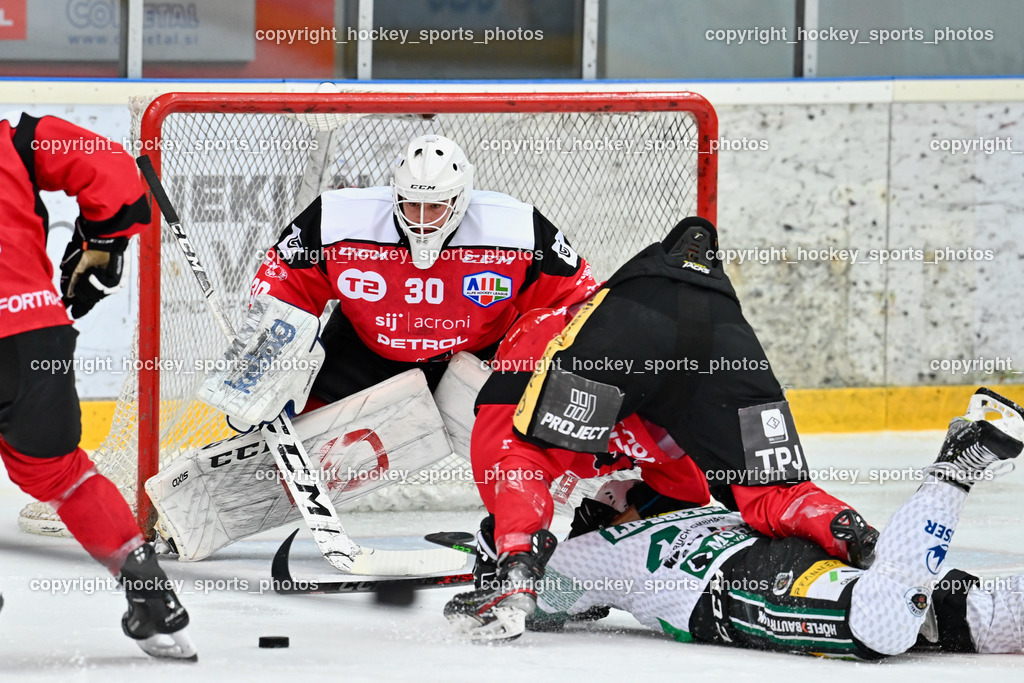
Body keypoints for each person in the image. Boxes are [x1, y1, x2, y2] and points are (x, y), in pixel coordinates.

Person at [151, 133, 598, 561]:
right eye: (412, 203)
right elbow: (282, 280)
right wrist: (264, 368)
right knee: (288, 442)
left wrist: (537, 366)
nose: (422, 217)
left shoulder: (515, 227)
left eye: (436, 206)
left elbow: (578, 302)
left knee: (522, 443)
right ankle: (181, 522)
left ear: (461, 200)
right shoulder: (339, 218)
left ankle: (579, 528)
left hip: (479, 351)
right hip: (365, 350)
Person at [444, 216, 879, 640]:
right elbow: (687, 495)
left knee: (526, 454)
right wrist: (622, 518)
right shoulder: (661, 448)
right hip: (723, 332)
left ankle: (515, 578)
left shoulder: (533, 346)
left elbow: (515, 464)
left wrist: (513, 548)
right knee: (774, 489)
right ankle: (857, 537)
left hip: (634, 322)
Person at [510, 388, 1024, 660]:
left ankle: (954, 470)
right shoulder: (597, 549)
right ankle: (953, 472)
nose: (629, 492)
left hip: (769, 579)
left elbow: (529, 601)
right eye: (621, 493)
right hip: (744, 588)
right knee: (899, 619)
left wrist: (500, 567)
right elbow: (534, 601)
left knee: (900, 618)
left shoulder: (610, 544)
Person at [0, 113, 195, 660]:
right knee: (64, 474)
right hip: (33, 333)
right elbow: (113, 169)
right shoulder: (16, 140)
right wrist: (102, 242)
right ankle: (151, 596)